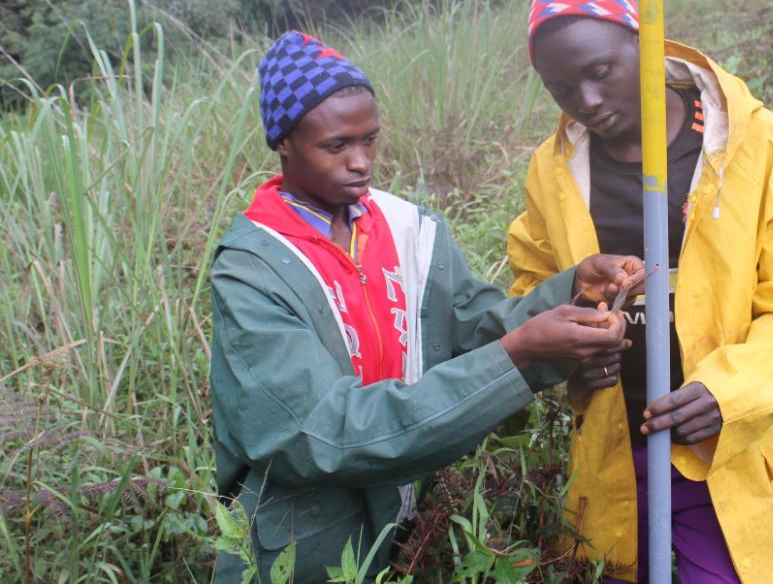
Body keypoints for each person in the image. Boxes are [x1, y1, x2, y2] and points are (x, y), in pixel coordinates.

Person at [209, 31, 644, 583]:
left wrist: (573, 292)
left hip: (409, 529)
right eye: (337, 146)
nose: (360, 163)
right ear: (284, 143)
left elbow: (474, 325)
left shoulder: (405, 229)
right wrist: (517, 357)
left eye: (370, 140)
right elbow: (318, 436)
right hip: (304, 549)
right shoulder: (253, 269)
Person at [507, 0, 773, 583]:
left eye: (600, 72)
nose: (587, 102)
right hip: (619, 435)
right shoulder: (556, 170)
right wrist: (572, 350)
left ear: (645, 44)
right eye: (563, 89)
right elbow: (533, 282)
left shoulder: (753, 145)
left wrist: (731, 394)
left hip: (729, 441)